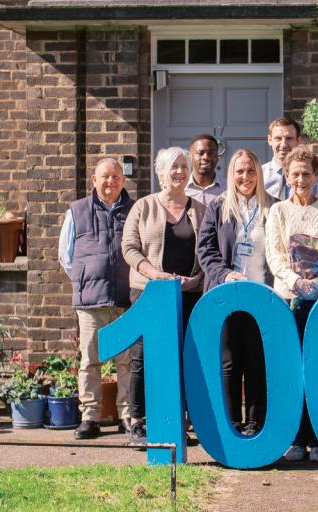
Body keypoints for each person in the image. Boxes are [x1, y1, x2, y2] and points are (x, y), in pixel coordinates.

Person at [265, 145, 318, 462]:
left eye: (306, 174)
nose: (301, 179)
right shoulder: (278, 211)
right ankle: (296, 437)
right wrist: (295, 282)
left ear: (316, 176)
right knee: (293, 368)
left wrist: (316, 282)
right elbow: (275, 256)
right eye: (295, 173)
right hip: (289, 298)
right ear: (287, 176)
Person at [121, 147, 206, 446]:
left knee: (183, 359)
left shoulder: (200, 209)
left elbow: (209, 251)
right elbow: (129, 248)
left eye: (184, 166)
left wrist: (197, 278)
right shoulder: (143, 207)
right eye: (174, 167)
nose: (180, 172)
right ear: (160, 173)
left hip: (189, 295)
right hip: (150, 294)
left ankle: (177, 423)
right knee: (143, 358)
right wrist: (153, 274)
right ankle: (137, 423)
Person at [197, 149, 275, 436]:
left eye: (250, 170)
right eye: (240, 171)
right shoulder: (218, 207)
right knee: (229, 363)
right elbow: (205, 250)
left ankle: (255, 423)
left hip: (262, 296)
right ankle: (231, 424)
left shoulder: (273, 207)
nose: (245, 177)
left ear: (259, 173)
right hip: (226, 296)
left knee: (257, 361)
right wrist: (225, 274)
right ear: (231, 175)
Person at [58, 157, 134, 440]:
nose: (110, 181)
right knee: (90, 361)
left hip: (126, 299)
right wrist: (86, 280)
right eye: (105, 176)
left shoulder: (134, 210)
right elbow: (66, 256)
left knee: (127, 362)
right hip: (91, 303)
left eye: (116, 176)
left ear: (123, 181)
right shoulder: (76, 211)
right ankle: (90, 417)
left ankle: (127, 416)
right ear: (94, 180)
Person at [262, 118, 318, 200]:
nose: (283, 144)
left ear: (298, 140)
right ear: (270, 140)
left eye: (289, 138)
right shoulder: (260, 174)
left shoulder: (314, 174)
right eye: (278, 138)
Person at [185, 133, 225, 207]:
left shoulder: (228, 189)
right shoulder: (181, 189)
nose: (206, 157)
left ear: (217, 156)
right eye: (200, 153)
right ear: (190, 156)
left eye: (211, 153)